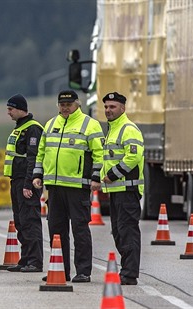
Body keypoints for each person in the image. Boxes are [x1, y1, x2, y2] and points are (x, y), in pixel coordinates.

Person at [32, 90, 104, 283]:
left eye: (69, 104)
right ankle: (59, 269)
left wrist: (96, 178)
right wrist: (38, 175)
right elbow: (41, 153)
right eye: (62, 105)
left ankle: (83, 271)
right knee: (56, 230)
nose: (65, 108)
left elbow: (100, 154)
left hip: (77, 187)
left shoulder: (90, 124)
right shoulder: (50, 124)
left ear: (77, 105)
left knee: (80, 229)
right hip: (54, 187)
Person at [100, 91, 144, 285]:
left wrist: (112, 175)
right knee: (119, 233)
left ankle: (129, 274)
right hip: (116, 191)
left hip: (127, 190)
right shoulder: (112, 129)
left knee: (127, 232)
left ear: (123, 108)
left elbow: (133, 157)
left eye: (113, 107)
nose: (108, 110)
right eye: (106, 107)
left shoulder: (128, 129)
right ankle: (127, 270)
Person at [3, 94, 44, 273]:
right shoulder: (19, 128)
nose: (9, 113)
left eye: (11, 109)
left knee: (30, 221)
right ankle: (25, 259)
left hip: (26, 182)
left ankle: (35, 261)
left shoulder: (33, 129)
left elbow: (33, 159)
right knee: (20, 221)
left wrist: (29, 184)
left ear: (20, 109)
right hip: (17, 180)